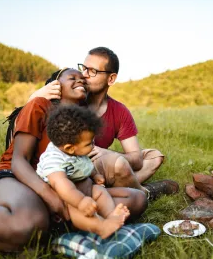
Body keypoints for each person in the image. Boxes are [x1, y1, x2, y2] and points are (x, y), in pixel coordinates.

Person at [0, 68, 147, 251]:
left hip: (64, 184)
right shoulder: (39, 106)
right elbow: (18, 161)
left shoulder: (81, 120)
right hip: (18, 178)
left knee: (134, 199)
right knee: (29, 223)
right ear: (55, 86)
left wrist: (90, 182)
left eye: (83, 80)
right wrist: (50, 195)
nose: (80, 81)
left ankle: (53, 224)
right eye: (71, 78)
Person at [31, 47, 179, 200]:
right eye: (84, 68)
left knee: (154, 157)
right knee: (118, 164)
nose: (84, 75)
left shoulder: (120, 111)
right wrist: (35, 96)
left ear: (111, 79)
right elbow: (31, 119)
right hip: (71, 162)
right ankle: (143, 193)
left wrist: (108, 152)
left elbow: (136, 158)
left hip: (99, 161)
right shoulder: (72, 96)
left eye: (92, 71)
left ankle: (112, 188)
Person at [36, 104, 129, 239]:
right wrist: (80, 201)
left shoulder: (76, 151)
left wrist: (95, 175)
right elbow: (60, 184)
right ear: (70, 148)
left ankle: (110, 217)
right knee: (73, 207)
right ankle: (101, 228)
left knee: (99, 191)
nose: (93, 145)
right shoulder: (53, 159)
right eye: (89, 143)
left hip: (79, 189)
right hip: (59, 198)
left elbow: (83, 164)